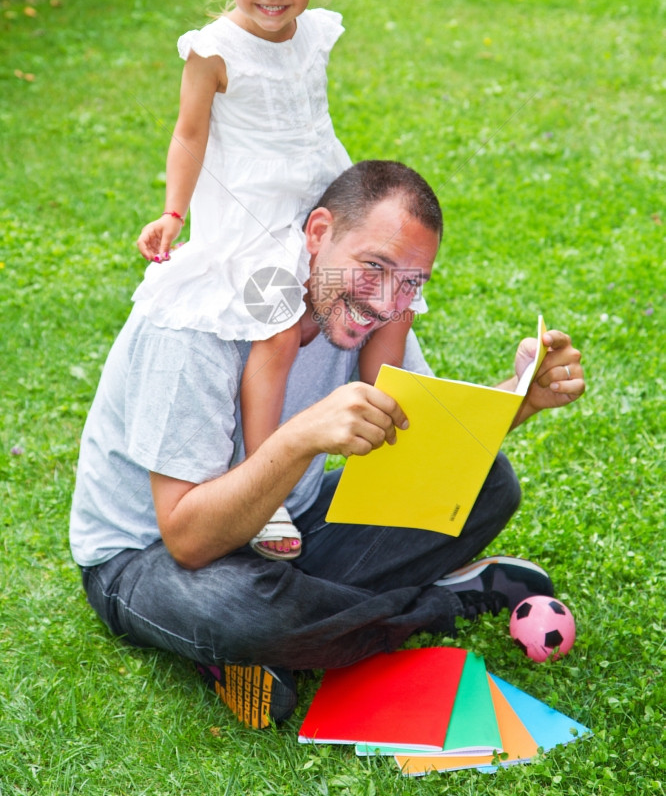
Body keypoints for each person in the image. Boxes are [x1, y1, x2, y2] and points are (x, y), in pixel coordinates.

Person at [70, 160, 585, 730]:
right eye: (374, 266)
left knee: (487, 482)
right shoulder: (194, 323)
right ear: (318, 234)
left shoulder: (372, 314)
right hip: (150, 560)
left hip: (292, 522)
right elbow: (188, 539)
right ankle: (442, 603)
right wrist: (300, 437)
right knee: (239, 610)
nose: (387, 299)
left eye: (412, 281)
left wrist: (520, 396)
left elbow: (421, 441)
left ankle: (295, 632)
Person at [133, 0, 419, 563]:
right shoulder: (213, 50)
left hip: (322, 195)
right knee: (277, 332)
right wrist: (174, 210)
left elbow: (310, 121)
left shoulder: (314, 35)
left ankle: (387, 444)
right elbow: (190, 135)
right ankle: (270, 487)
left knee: (394, 299)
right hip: (254, 215)